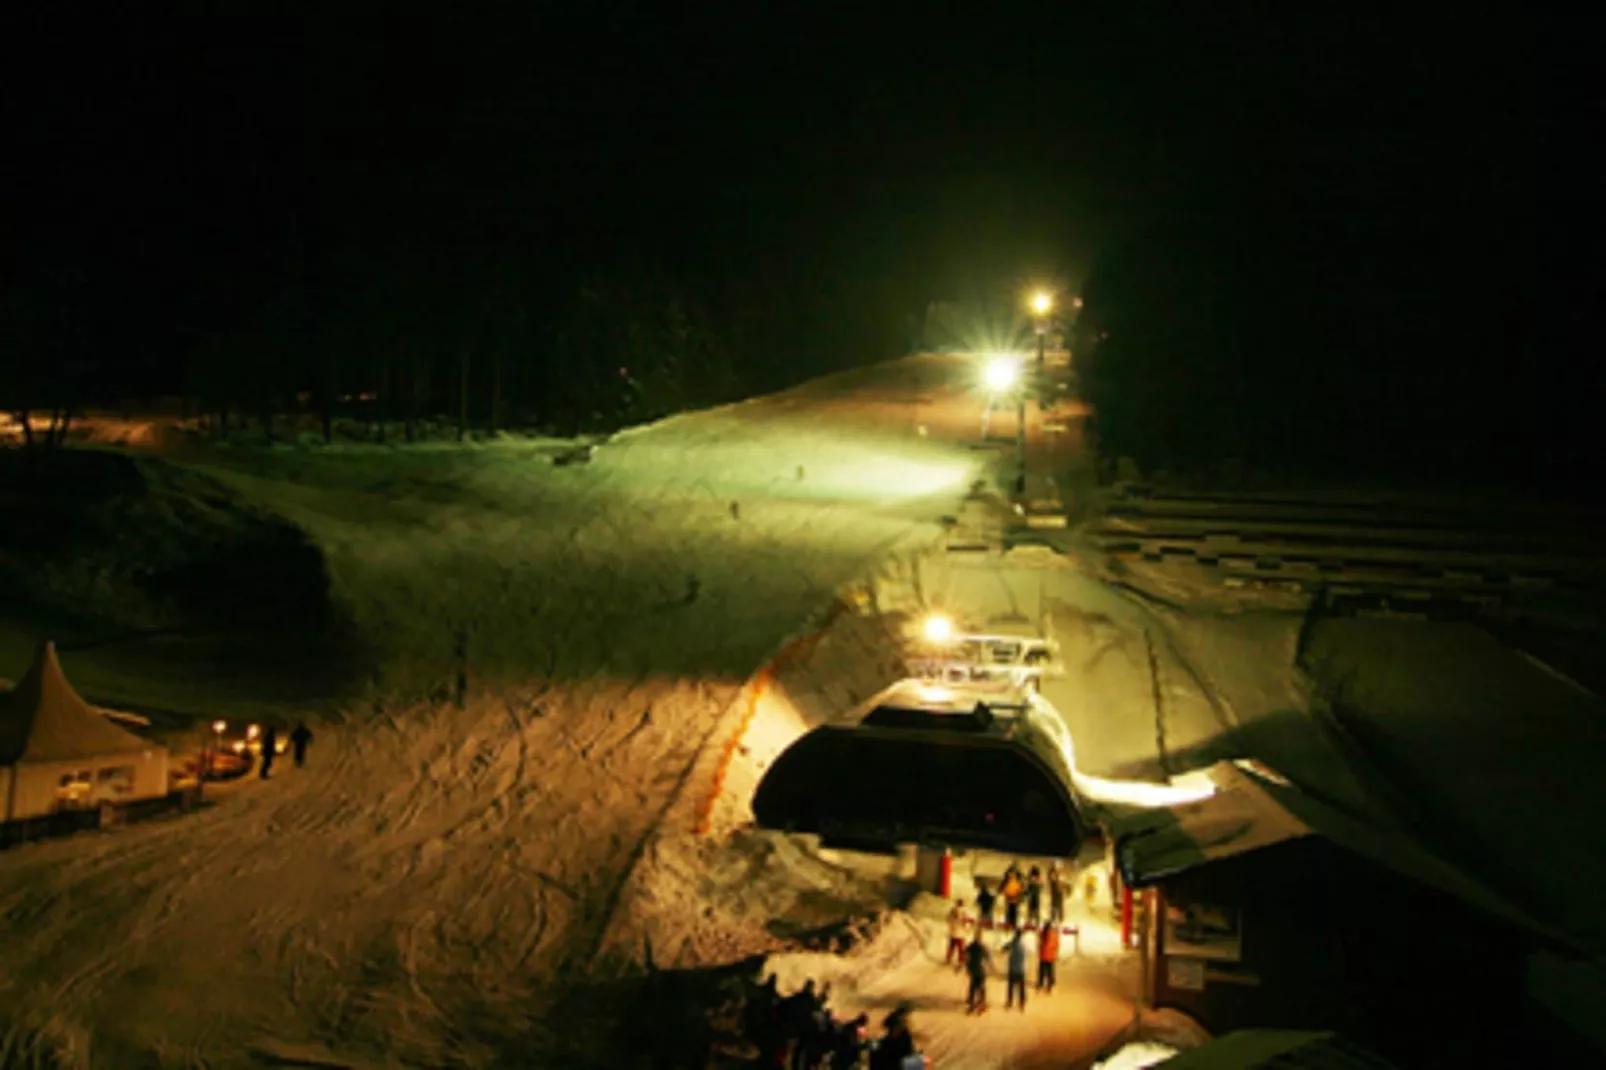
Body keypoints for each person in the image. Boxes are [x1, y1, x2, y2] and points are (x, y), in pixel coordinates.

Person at [964, 934, 992, 1014]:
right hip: (980, 970)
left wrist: (967, 966)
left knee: (973, 985)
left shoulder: (970, 946)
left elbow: (965, 954)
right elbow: (988, 958)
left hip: (972, 969)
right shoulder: (983, 947)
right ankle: (981, 1002)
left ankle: (972, 1002)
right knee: (981, 986)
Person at [1005, 930, 1029, 1011]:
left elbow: (1005, 948)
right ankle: (1022, 1002)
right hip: (1021, 968)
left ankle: (1010, 1001)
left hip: (1013, 968)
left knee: (1011, 986)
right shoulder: (1024, 944)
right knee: (1021, 986)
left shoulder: (1013, 943)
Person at [945, 898, 971, 970]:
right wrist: (967, 928)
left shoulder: (952, 910)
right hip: (960, 933)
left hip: (953, 932)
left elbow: (948, 918)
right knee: (961, 948)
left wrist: (951, 926)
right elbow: (966, 921)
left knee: (951, 946)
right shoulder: (964, 911)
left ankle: (948, 958)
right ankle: (961, 961)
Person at [1037, 921, 1060, 993]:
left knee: (1042, 971)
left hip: (1043, 955)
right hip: (1051, 955)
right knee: (1050, 971)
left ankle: (1040, 984)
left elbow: (1038, 934)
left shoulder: (1042, 933)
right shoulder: (1054, 934)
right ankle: (1050, 985)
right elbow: (1057, 944)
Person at [1001, 864, 1024, 932]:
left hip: (1014, 901)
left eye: (1012, 873)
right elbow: (1004, 890)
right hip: (1009, 900)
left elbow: (1019, 891)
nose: (1011, 875)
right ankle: (1008, 925)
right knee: (1009, 914)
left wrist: (1017, 896)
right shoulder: (1007, 882)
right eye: (1010, 873)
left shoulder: (1016, 882)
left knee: (1013, 914)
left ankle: (1012, 925)